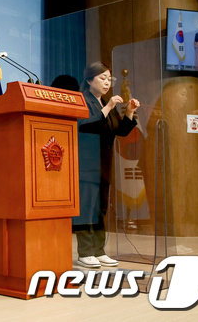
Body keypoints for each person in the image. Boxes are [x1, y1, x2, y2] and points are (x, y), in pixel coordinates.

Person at [72, 62, 140, 268]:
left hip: (103, 164)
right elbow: (84, 125)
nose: (107, 82)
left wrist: (128, 112)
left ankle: (99, 250)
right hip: (86, 165)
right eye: (102, 78)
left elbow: (119, 131)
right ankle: (85, 252)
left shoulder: (104, 103)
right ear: (89, 80)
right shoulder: (83, 100)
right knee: (86, 208)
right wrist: (109, 107)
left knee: (100, 209)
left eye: (109, 79)